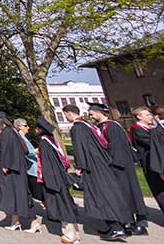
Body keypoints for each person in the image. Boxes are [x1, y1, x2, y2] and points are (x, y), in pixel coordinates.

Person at [63, 103, 132, 242]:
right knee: (109, 194)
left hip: (93, 167)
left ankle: (116, 228)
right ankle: (119, 225)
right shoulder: (87, 125)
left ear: (69, 113)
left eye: (65, 115)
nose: (66, 117)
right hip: (101, 164)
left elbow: (80, 147)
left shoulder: (78, 127)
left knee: (102, 196)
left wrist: (80, 166)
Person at [89, 102, 147, 235]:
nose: (90, 116)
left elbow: (117, 148)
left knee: (130, 192)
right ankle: (128, 221)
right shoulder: (102, 126)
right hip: (115, 164)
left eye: (92, 113)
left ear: (99, 112)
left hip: (121, 166)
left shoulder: (112, 126)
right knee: (123, 194)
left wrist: (112, 164)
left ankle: (140, 224)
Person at [35, 117, 81, 244]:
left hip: (53, 181)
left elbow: (48, 165)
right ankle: (75, 234)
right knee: (66, 205)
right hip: (60, 178)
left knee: (62, 207)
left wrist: (49, 183)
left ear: (40, 130)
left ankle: (70, 236)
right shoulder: (51, 142)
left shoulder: (44, 144)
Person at [0, 110, 32, 231]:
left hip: (13, 169)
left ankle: (32, 222)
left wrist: (6, 165)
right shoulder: (10, 131)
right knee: (16, 196)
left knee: (18, 195)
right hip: (15, 168)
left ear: (0, 120)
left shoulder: (7, 132)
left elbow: (10, 150)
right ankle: (15, 222)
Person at [131, 106, 164, 214]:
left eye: (150, 114)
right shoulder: (137, 130)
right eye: (147, 115)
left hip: (160, 162)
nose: (151, 117)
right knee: (160, 190)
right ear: (139, 117)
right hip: (151, 165)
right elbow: (153, 143)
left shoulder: (152, 128)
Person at [14, 118, 42, 234]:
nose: (28, 127)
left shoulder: (23, 138)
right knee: (37, 194)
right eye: (25, 125)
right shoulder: (20, 138)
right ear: (19, 127)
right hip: (31, 169)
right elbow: (27, 152)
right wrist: (37, 150)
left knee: (38, 194)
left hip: (32, 169)